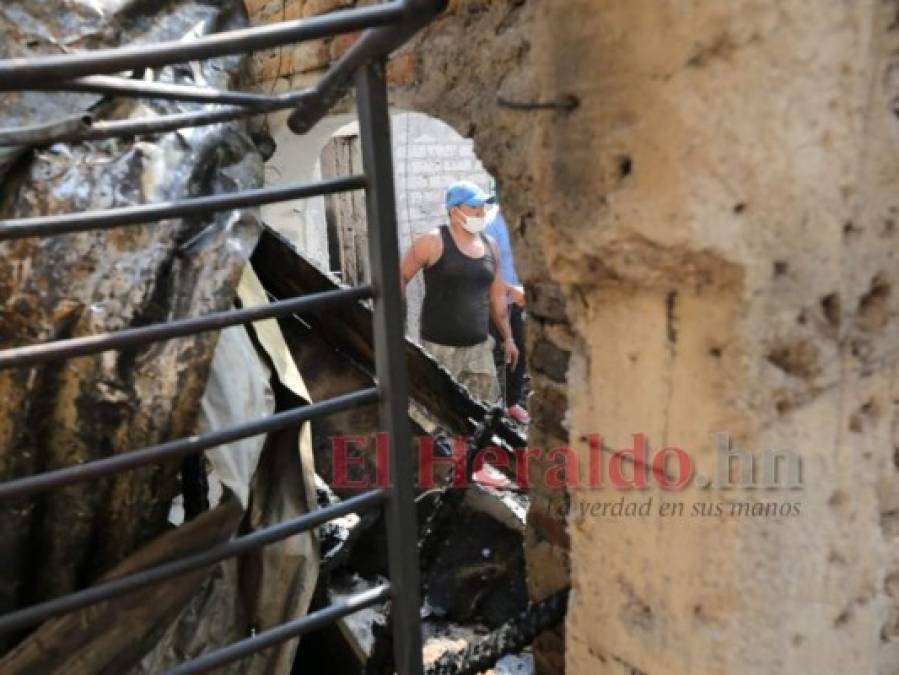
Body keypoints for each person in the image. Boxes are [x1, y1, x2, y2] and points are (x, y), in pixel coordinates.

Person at [400, 180, 519, 403]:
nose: (481, 212)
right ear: (454, 211)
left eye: (483, 206)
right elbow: (400, 277)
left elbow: (496, 296)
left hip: (479, 350)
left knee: (483, 413)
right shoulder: (432, 242)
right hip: (439, 350)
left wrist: (509, 338)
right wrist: (400, 326)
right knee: (436, 411)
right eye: (474, 207)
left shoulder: (490, 245)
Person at [486, 207, 530, 423]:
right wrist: (510, 289)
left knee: (519, 350)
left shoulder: (523, 219)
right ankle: (493, 406)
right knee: (495, 352)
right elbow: (487, 270)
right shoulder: (491, 224)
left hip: (517, 300)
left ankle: (511, 403)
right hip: (494, 300)